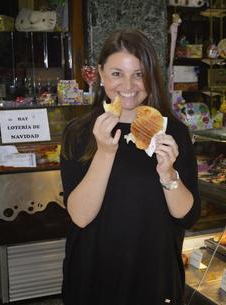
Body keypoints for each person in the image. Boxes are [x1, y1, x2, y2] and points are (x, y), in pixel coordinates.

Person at [60, 29, 201, 305]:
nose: (129, 85)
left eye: (138, 74)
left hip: (155, 280)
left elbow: (188, 216)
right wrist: (104, 152)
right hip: (93, 280)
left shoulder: (173, 133)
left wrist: (168, 173)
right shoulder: (78, 133)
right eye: (117, 74)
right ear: (100, 74)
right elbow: (79, 215)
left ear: (151, 76)